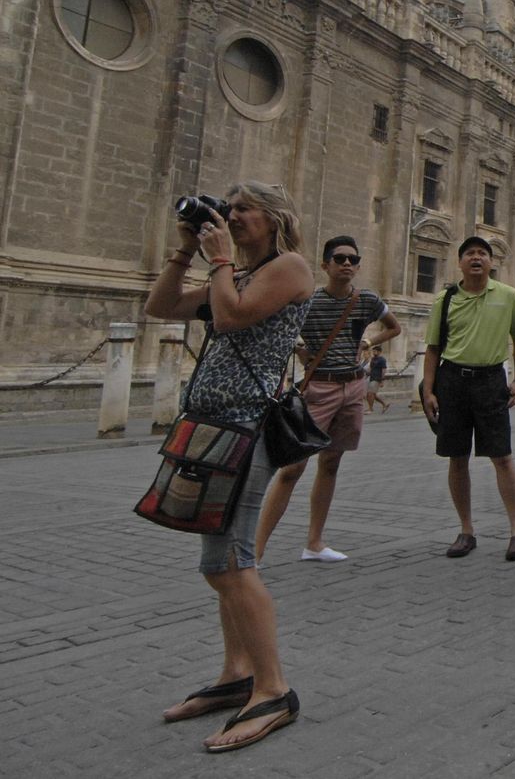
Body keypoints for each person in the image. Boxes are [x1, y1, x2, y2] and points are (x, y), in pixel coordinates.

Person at [145, 181, 314, 752]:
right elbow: (161, 306)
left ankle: (273, 690)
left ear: (274, 218)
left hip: (246, 429)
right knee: (216, 561)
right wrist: (184, 251)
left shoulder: (288, 267)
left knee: (231, 562)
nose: (232, 216)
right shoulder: (232, 274)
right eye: (229, 208)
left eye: (243, 209)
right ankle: (235, 674)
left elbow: (235, 318)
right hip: (208, 427)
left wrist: (219, 261)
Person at [255, 235, 400, 564]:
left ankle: (315, 543)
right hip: (319, 388)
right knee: (292, 468)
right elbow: (282, 330)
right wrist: (302, 351)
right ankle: (256, 550)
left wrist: (368, 341)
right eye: (339, 259)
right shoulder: (308, 302)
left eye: (352, 259)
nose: (347, 263)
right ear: (325, 265)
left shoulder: (367, 301)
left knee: (331, 463)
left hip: (353, 387)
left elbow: (394, 327)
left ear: (359, 266)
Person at [420, 237, 515, 562]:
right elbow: (433, 348)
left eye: (483, 253)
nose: (477, 258)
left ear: (491, 262)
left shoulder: (507, 295)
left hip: (491, 379)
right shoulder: (445, 299)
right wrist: (428, 390)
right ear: (460, 262)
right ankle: (466, 530)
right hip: (453, 380)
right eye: (470, 253)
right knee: (457, 457)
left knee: (502, 456)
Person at [364, 343, 391, 412]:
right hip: (372, 377)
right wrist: (366, 375)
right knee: (373, 395)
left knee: (370, 394)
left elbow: (383, 370)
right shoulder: (373, 359)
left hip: (377, 379)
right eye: (373, 351)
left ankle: (370, 408)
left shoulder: (382, 360)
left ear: (379, 352)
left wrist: (382, 380)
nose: (373, 352)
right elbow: (370, 368)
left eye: (375, 351)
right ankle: (385, 404)